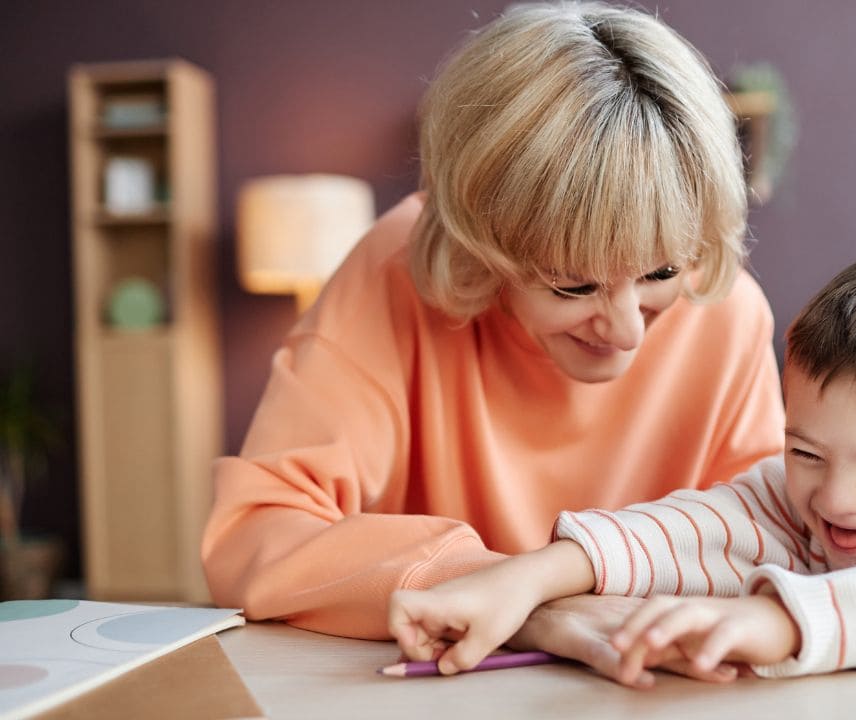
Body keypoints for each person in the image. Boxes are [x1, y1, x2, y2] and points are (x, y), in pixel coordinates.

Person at [201, 1, 786, 683]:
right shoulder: (395, 270)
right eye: (574, 285)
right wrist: (516, 598)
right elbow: (254, 534)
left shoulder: (728, 310)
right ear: (479, 249)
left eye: (660, 272)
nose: (628, 330)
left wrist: (541, 589)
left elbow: (772, 539)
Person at [388, 249, 856, 686]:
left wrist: (776, 622)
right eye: (805, 452)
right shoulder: (798, 493)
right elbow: (695, 526)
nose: (835, 498)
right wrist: (528, 577)